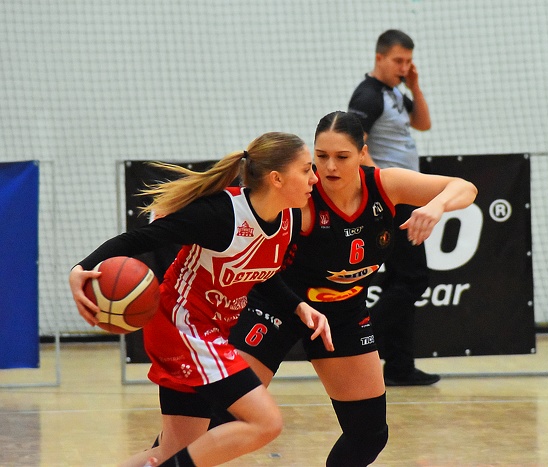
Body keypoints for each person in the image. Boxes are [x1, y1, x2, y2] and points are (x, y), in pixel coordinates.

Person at [224, 111, 477, 466]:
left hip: (342, 314)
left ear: (362, 153)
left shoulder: (386, 185)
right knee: (219, 419)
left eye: (342, 156)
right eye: (321, 156)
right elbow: (244, 234)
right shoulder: (301, 196)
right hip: (277, 307)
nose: (329, 167)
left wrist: (436, 205)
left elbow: (465, 188)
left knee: (369, 434)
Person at [68, 132, 334, 467]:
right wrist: (82, 267)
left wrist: (298, 305)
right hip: (183, 328)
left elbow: (261, 273)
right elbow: (140, 238)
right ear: (276, 178)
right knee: (266, 422)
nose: (315, 178)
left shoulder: (288, 219)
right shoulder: (220, 214)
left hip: (205, 331)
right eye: (307, 169)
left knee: (170, 451)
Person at [348, 29, 437, 386]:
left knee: (401, 279)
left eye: (408, 61)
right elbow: (353, 143)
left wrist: (415, 85)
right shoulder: (368, 95)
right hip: (391, 198)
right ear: (379, 58)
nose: (404, 67)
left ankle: (400, 366)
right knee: (414, 278)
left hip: (404, 197)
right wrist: (378, 184)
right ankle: (355, 338)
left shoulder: (396, 92)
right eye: (398, 61)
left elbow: (423, 124)